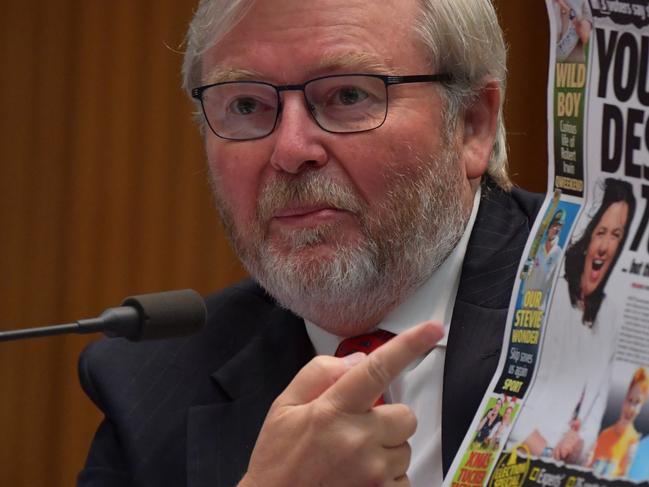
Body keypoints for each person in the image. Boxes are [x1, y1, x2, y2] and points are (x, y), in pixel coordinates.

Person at [77, 1, 543, 486]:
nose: (291, 150)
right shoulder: (149, 390)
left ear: (472, 124)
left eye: (347, 95)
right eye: (246, 105)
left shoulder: (600, 306)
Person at [507, 178, 636, 465]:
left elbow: (598, 404)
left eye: (616, 234)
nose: (604, 246)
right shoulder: (547, 293)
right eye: (600, 232)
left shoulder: (611, 315)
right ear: (584, 236)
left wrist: (577, 446)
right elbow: (506, 390)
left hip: (566, 463)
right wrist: (546, 447)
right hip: (521, 450)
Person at [588, 367, 649, 478]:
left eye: (637, 403)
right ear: (624, 399)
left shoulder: (635, 445)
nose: (631, 408)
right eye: (630, 400)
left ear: (642, 407)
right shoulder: (603, 435)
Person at [522, 209, 565, 305]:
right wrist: (527, 266)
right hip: (526, 300)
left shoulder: (559, 253)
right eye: (554, 226)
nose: (556, 230)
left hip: (542, 304)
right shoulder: (536, 249)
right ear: (549, 228)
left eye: (559, 227)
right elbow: (524, 273)